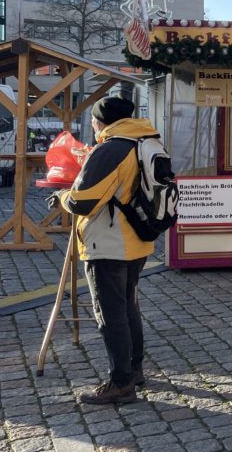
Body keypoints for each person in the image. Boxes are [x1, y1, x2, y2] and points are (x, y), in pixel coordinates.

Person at [49, 96, 158, 405]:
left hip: (108, 242)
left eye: (95, 121)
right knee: (128, 307)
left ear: (101, 122)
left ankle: (121, 383)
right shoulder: (145, 141)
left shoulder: (110, 149)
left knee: (111, 313)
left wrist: (61, 197)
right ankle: (134, 370)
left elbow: (83, 201)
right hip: (138, 239)